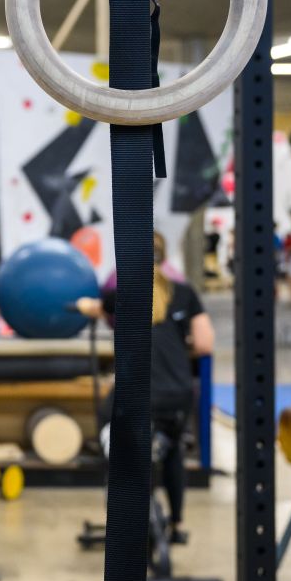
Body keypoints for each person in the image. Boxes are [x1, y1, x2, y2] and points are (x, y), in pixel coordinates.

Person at [75, 232, 213, 542]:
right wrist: (177, 347)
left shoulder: (123, 293)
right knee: (174, 451)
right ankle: (177, 525)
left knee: (109, 425)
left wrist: (85, 306)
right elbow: (205, 344)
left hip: (139, 395)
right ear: (164, 259)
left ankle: (126, 512)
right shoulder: (185, 293)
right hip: (178, 394)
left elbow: (98, 308)